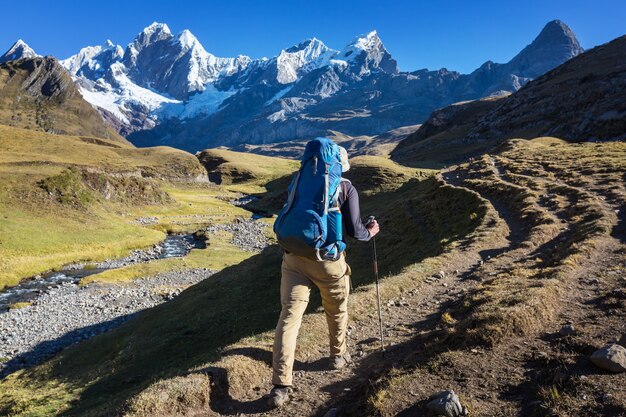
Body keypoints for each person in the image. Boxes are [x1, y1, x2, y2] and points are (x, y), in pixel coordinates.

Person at [268, 145, 380, 408]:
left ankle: (280, 385)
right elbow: (356, 231)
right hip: (327, 262)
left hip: (293, 257)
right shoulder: (345, 187)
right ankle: (337, 355)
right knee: (337, 309)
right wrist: (372, 231)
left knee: (289, 317)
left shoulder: (299, 180)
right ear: (340, 166)